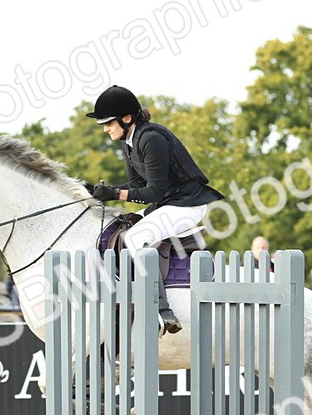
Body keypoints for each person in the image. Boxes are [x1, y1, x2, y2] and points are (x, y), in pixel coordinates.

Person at [84, 85, 225, 334]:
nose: (105, 128)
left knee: (137, 237)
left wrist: (115, 193)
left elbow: (154, 191)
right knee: (120, 226)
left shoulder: (151, 138)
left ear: (126, 118)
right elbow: (137, 186)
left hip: (187, 204)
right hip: (167, 203)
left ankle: (162, 309)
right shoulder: (129, 141)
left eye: (108, 123)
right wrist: (102, 191)